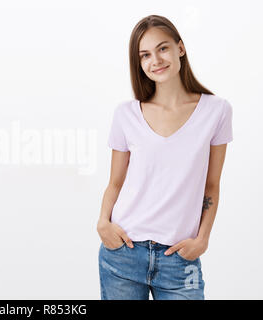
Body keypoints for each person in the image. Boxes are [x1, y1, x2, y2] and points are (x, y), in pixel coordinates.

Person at [97, 15, 233, 300]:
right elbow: (115, 182)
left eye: (163, 48)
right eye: (145, 55)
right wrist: (103, 223)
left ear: (180, 48)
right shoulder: (126, 114)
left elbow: (212, 185)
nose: (155, 60)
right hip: (123, 252)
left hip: (179, 260)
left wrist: (203, 239)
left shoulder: (216, 111)